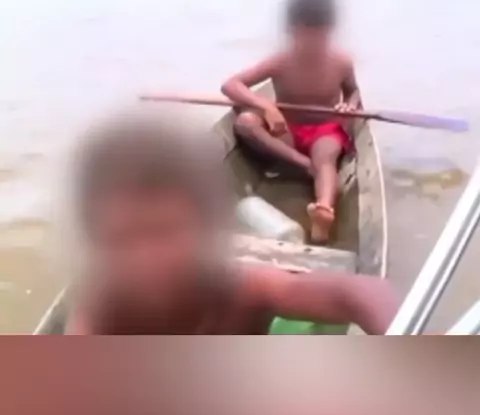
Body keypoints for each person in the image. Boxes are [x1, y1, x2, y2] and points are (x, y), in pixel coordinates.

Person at [66, 112, 398, 335]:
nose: (149, 258)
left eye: (166, 232)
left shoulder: (240, 292)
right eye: (124, 239)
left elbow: (362, 293)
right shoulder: (102, 315)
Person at [221, 0, 360, 244]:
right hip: (288, 132)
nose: (310, 44)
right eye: (304, 36)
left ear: (329, 32)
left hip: (325, 130)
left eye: (318, 37)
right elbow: (231, 85)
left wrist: (349, 105)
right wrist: (266, 106)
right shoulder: (281, 61)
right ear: (291, 31)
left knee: (326, 157)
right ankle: (303, 165)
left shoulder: (341, 62)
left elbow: (353, 92)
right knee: (246, 122)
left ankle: (324, 211)